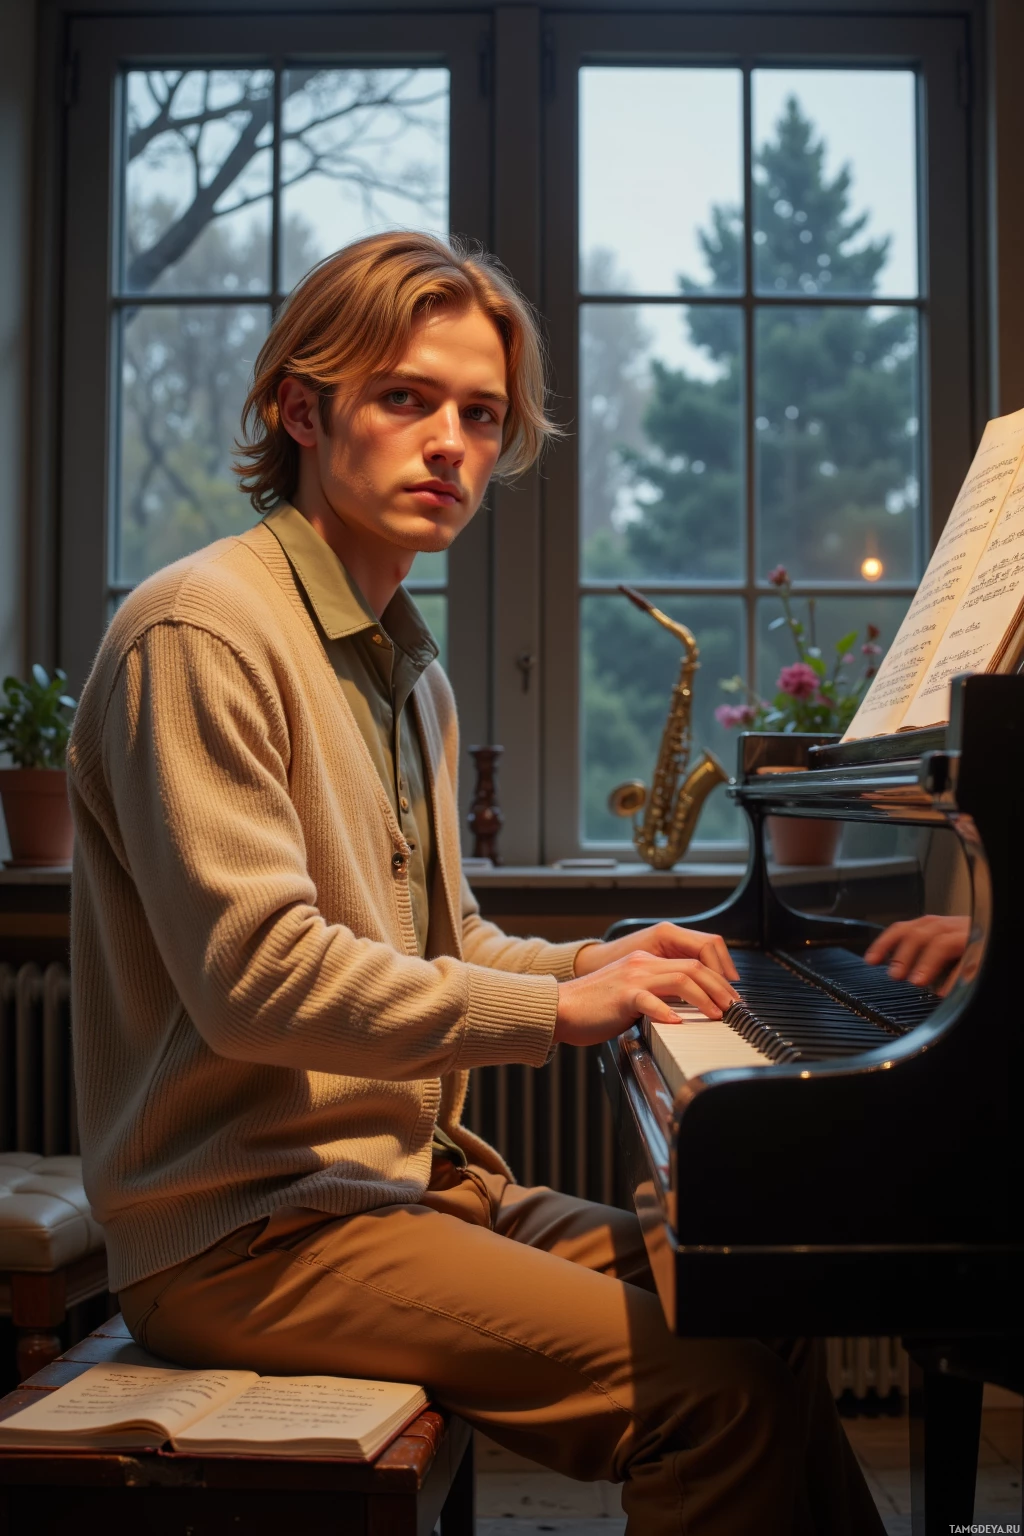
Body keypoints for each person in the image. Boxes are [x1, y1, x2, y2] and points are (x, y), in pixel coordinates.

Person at [67, 231, 884, 1536]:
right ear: (303, 408)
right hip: (245, 1234)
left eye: (483, 415)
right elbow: (258, 982)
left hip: (413, 1183)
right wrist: (555, 1012)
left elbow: (445, 939)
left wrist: (598, 965)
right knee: (705, 1386)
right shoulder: (201, 629)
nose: (452, 443)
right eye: (407, 398)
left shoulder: (414, 673)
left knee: (753, 1301)